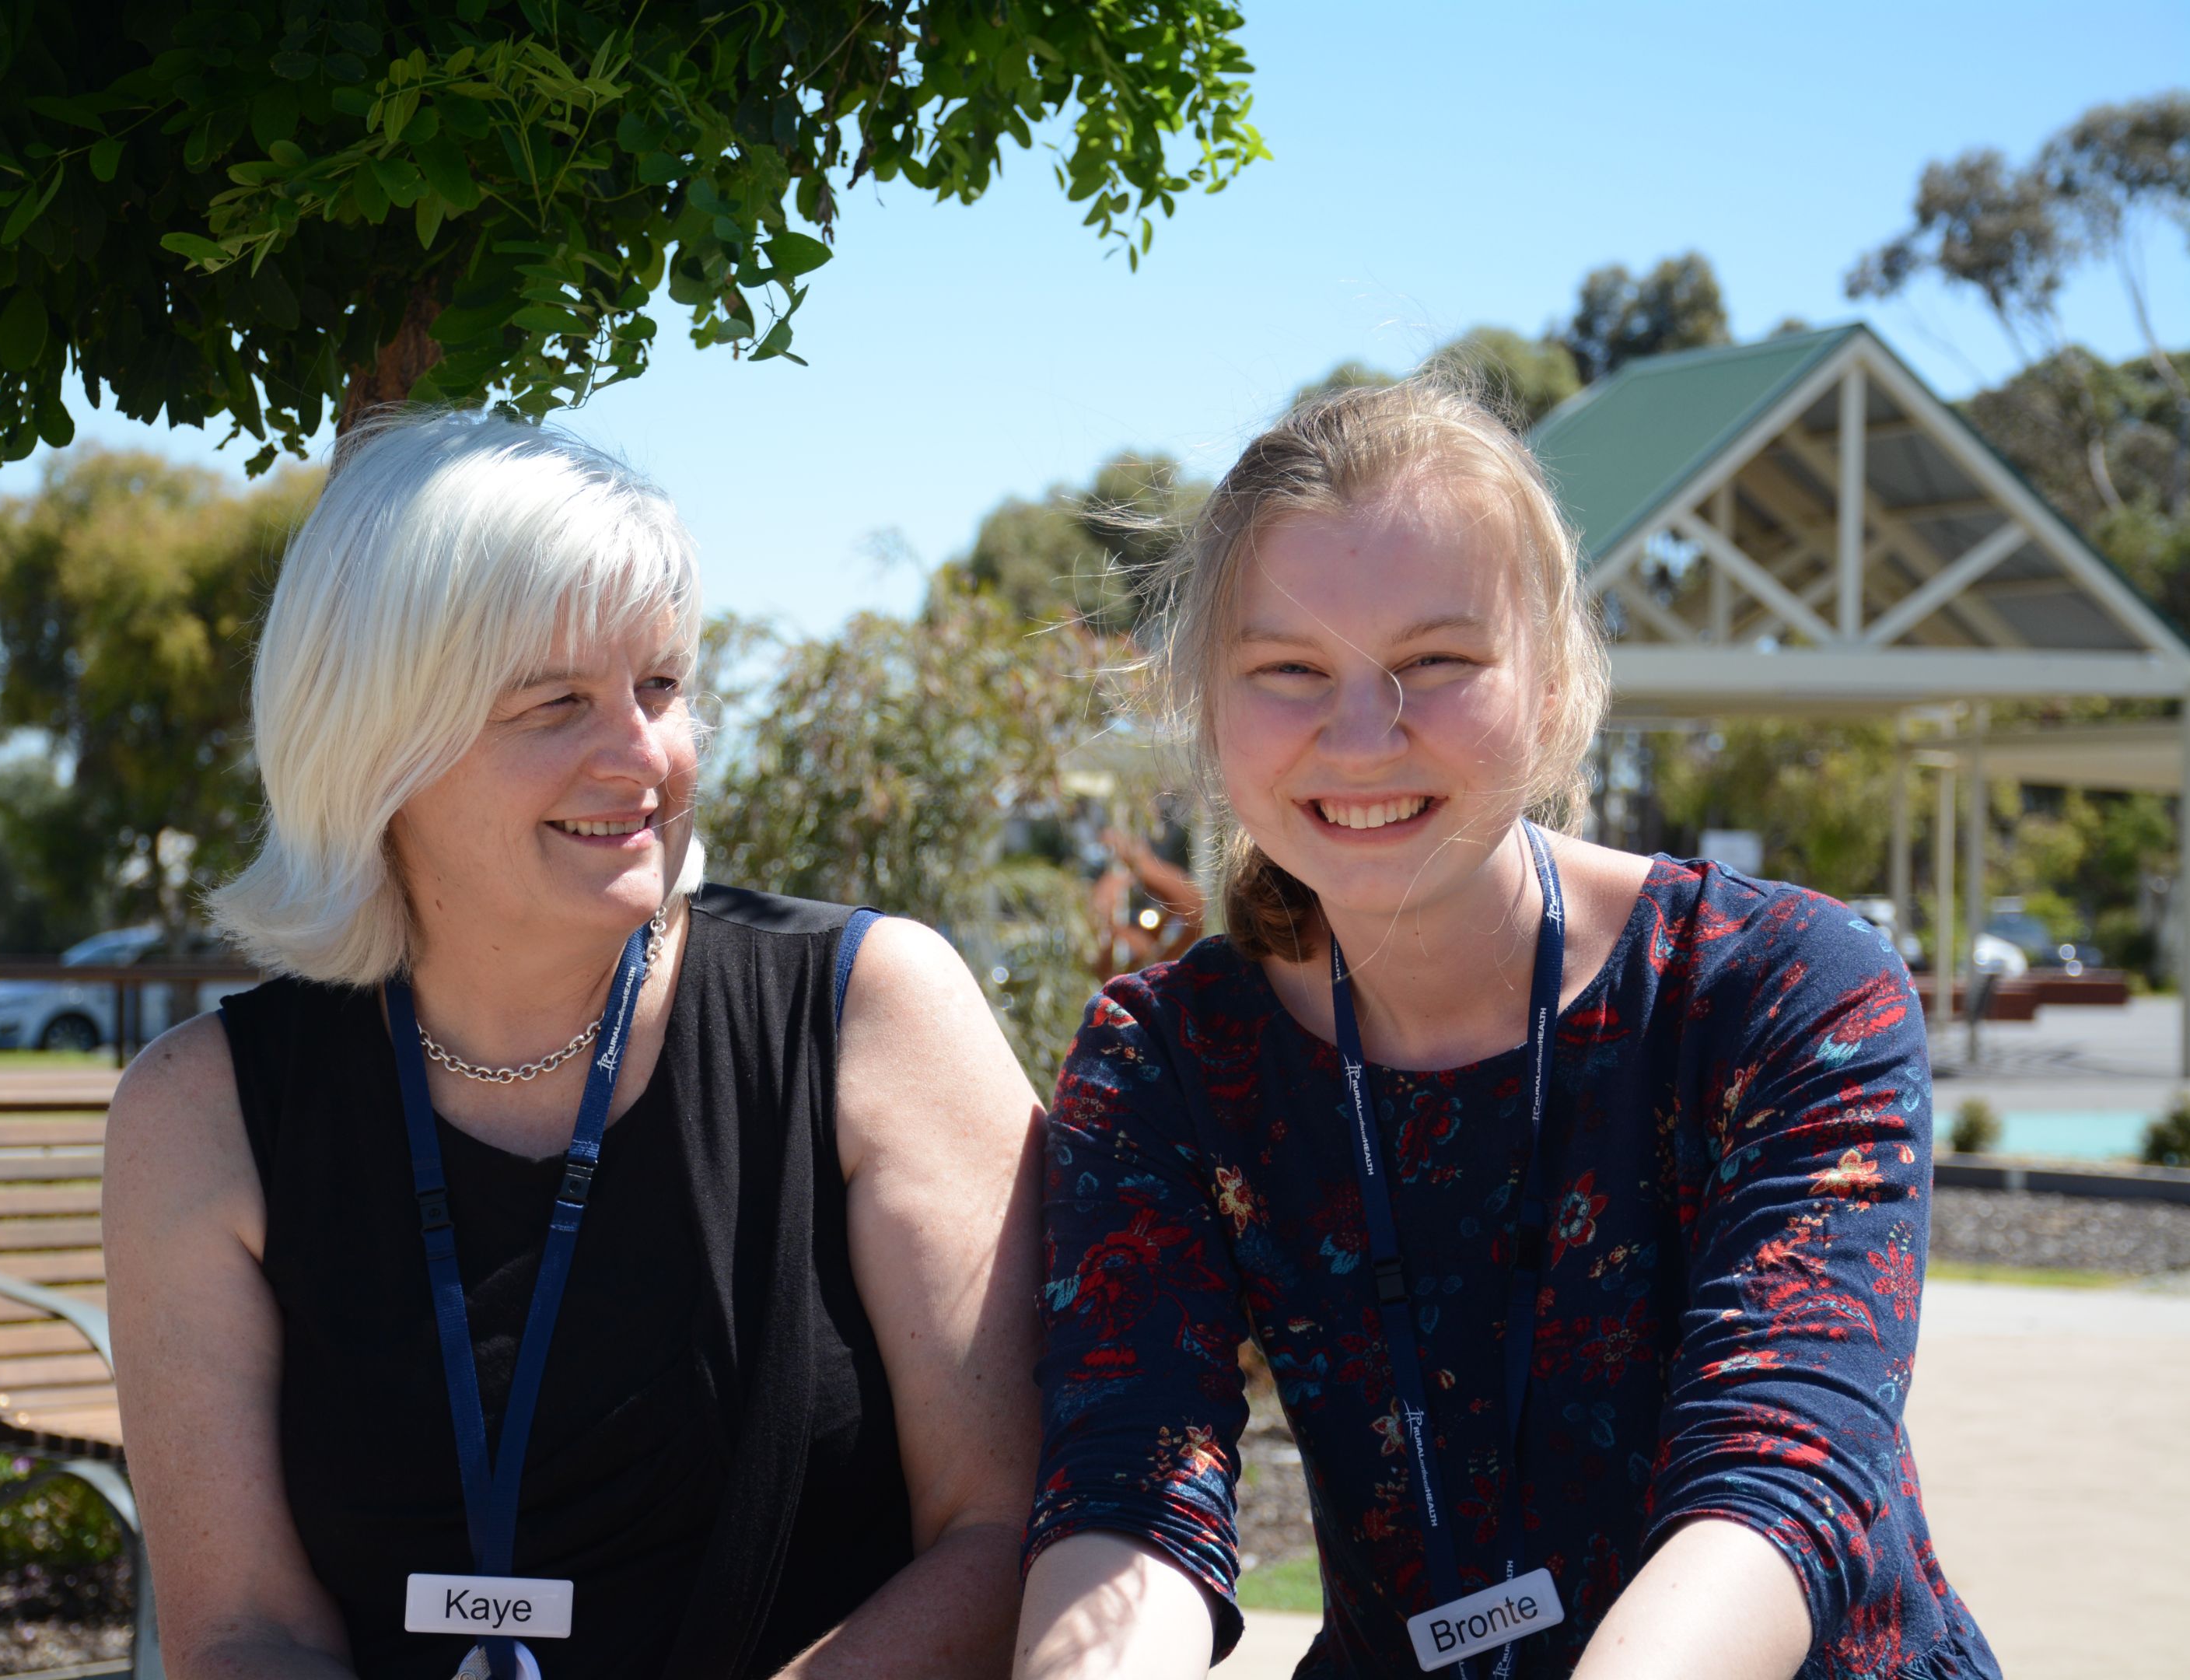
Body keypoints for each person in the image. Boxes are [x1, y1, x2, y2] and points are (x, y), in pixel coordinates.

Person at [1012, 380, 1998, 1680]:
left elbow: (1782, 1475)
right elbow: (1131, 1490)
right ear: (1207, 702)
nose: (1363, 737)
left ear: (1552, 681)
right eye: (1289, 671)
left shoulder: (1779, 993)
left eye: (1435, 664)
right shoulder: (1172, 1058)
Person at [104, 411, 1044, 1680]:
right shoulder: (199, 1115)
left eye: (660, 687)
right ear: (375, 748)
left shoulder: (871, 1009)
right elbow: (242, 1629)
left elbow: (1006, 1528)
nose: (644, 757)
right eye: (556, 705)